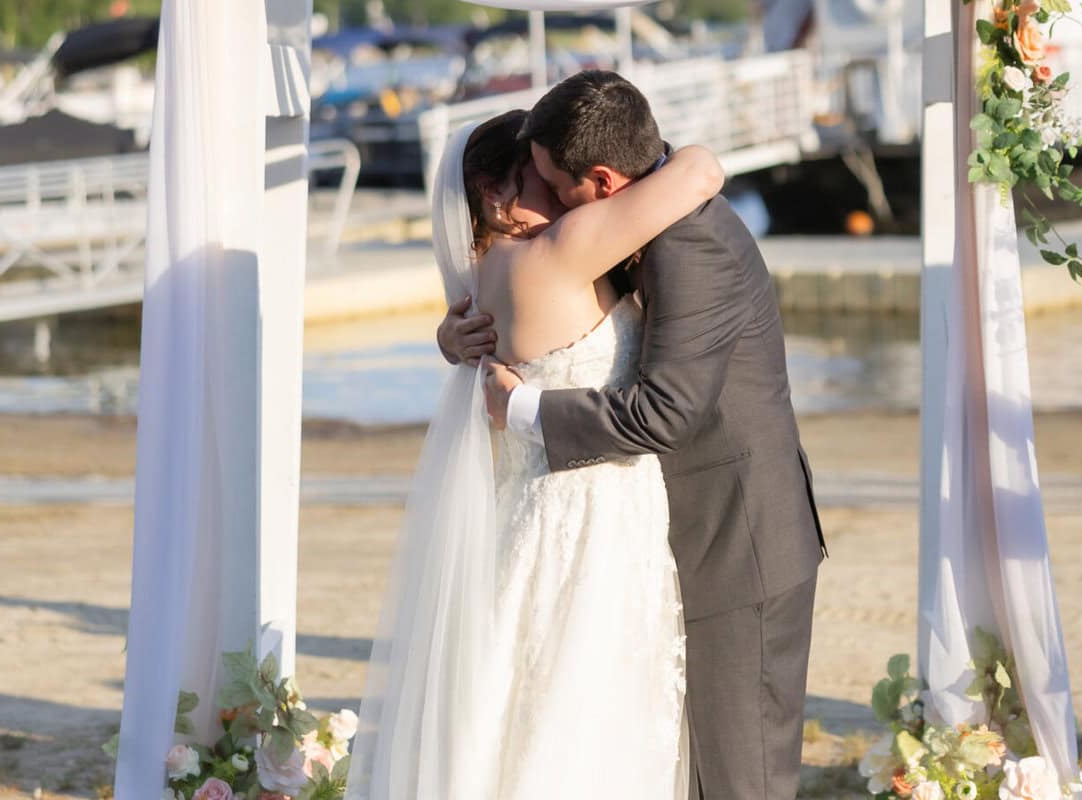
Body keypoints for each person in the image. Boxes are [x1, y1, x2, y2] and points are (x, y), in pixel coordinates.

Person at [443, 70, 827, 800]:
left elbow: (664, 413)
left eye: (559, 186)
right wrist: (453, 334)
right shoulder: (636, 216)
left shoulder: (690, 243)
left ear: (605, 179)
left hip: (736, 540)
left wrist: (520, 412)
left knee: (742, 779)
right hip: (662, 537)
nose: (553, 205)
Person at [347, 100, 724, 800]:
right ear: (496, 193)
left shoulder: (487, 276)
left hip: (543, 509)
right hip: (591, 516)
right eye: (544, 176)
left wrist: (444, 339)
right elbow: (701, 169)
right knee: (584, 706)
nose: (565, 192)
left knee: (530, 698)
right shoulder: (556, 252)